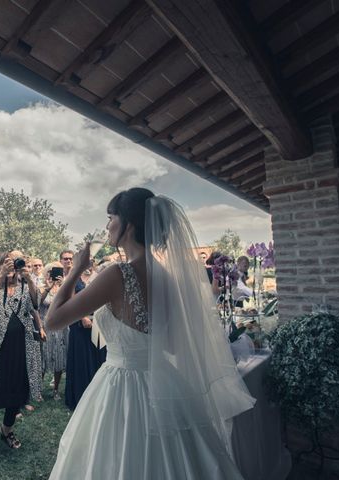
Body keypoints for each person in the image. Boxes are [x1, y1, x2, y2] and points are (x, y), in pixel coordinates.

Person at [46, 188, 255, 479]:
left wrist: (75, 270)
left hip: (121, 386)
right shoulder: (168, 278)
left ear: (128, 225)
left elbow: (53, 321)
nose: (107, 226)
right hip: (166, 383)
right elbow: (171, 345)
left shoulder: (118, 274)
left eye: (110, 218)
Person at [0, 251, 42, 468]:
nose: (12, 268)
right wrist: (1, 275)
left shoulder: (23, 288)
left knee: (17, 392)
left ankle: (7, 429)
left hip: (21, 351)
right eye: (7, 264)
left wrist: (28, 276)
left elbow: (36, 303)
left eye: (14, 264)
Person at [61, 249, 106, 411]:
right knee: (82, 359)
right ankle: (80, 397)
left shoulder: (100, 276)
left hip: (98, 323)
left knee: (99, 358)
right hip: (80, 324)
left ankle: (99, 396)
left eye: (91, 260)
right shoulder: (73, 278)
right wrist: (83, 317)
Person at [40, 262, 67, 400]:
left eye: (57, 271)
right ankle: (38, 389)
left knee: (59, 358)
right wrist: (48, 288)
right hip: (45, 326)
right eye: (50, 271)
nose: (54, 274)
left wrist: (64, 286)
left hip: (60, 327)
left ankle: (55, 389)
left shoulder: (65, 287)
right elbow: (37, 303)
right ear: (46, 273)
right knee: (43, 358)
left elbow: (69, 302)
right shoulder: (41, 287)